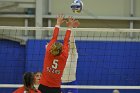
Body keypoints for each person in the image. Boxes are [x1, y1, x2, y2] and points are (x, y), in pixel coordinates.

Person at [38, 15, 79, 93]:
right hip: (56, 87)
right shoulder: (64, 56)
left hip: (44, 86)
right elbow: (66, 41)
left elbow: (54, 38)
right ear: (62, 50)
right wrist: (70, 27)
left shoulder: (48, 53)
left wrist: (58, 23)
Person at [61, 21, 80, 93]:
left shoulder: (73, 54)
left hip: (71, 83)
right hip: (61, 83)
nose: (68, 45)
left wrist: (71, 28)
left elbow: (72, 42)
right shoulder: (62, 54)